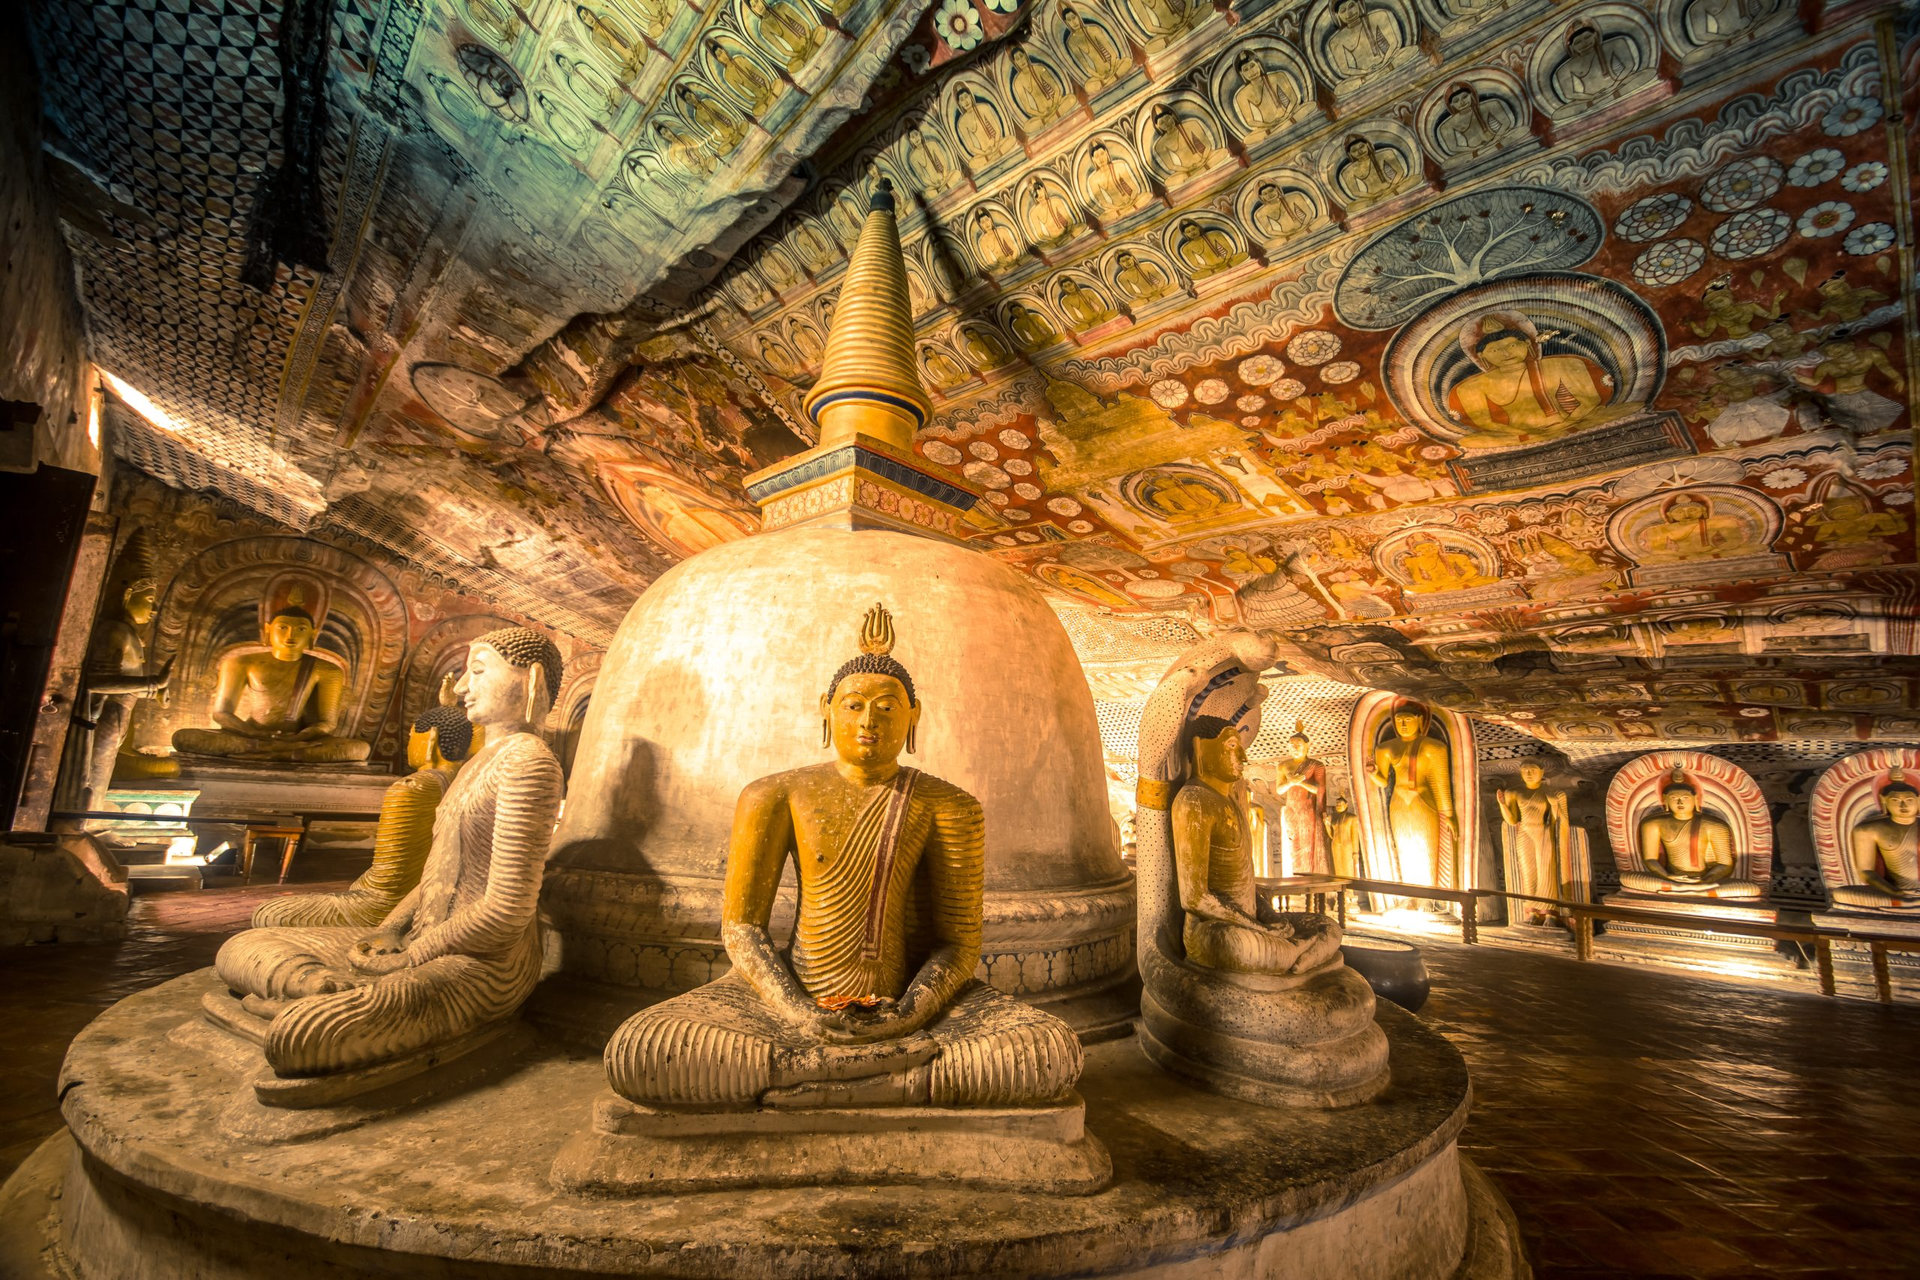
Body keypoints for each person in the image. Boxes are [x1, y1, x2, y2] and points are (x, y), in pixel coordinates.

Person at [602, 604, 1082, 1109]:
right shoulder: (776, 795)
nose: (869, 719)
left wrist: (908, 1014)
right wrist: (800, 1012)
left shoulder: (948, 805)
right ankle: (893, 1079)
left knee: (1047, 1052)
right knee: (643, 1050)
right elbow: (743, 928)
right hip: (790, 998)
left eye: (888, 706)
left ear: (914, 715)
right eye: (853, 705)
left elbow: (958, 945)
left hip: (905, 1004)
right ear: (825, 707)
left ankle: (801, 1078)